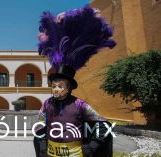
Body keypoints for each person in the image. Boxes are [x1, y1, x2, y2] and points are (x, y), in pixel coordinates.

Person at [34, 5, 116, 157]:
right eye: (54, 86)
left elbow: (103, 125)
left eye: (60, 86)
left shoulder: (80, 105)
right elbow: (39, 127)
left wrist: (92, 146)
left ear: (69, 87)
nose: (56, 89)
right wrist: (42, 147)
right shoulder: (46, 104)